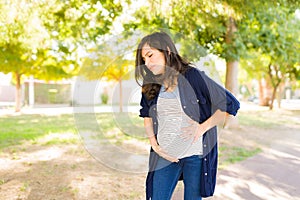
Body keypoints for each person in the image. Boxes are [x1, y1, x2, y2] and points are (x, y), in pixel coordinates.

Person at [135, 31, 240, 200]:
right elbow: (146, 115)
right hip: (165, 155)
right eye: (144, 60)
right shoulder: (150, 85)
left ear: (167, 50)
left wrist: (201, 128)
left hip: (195, 156)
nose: (147, 63)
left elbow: (229, 105)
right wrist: (154, 145)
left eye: (150, 55)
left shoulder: (193, 76)